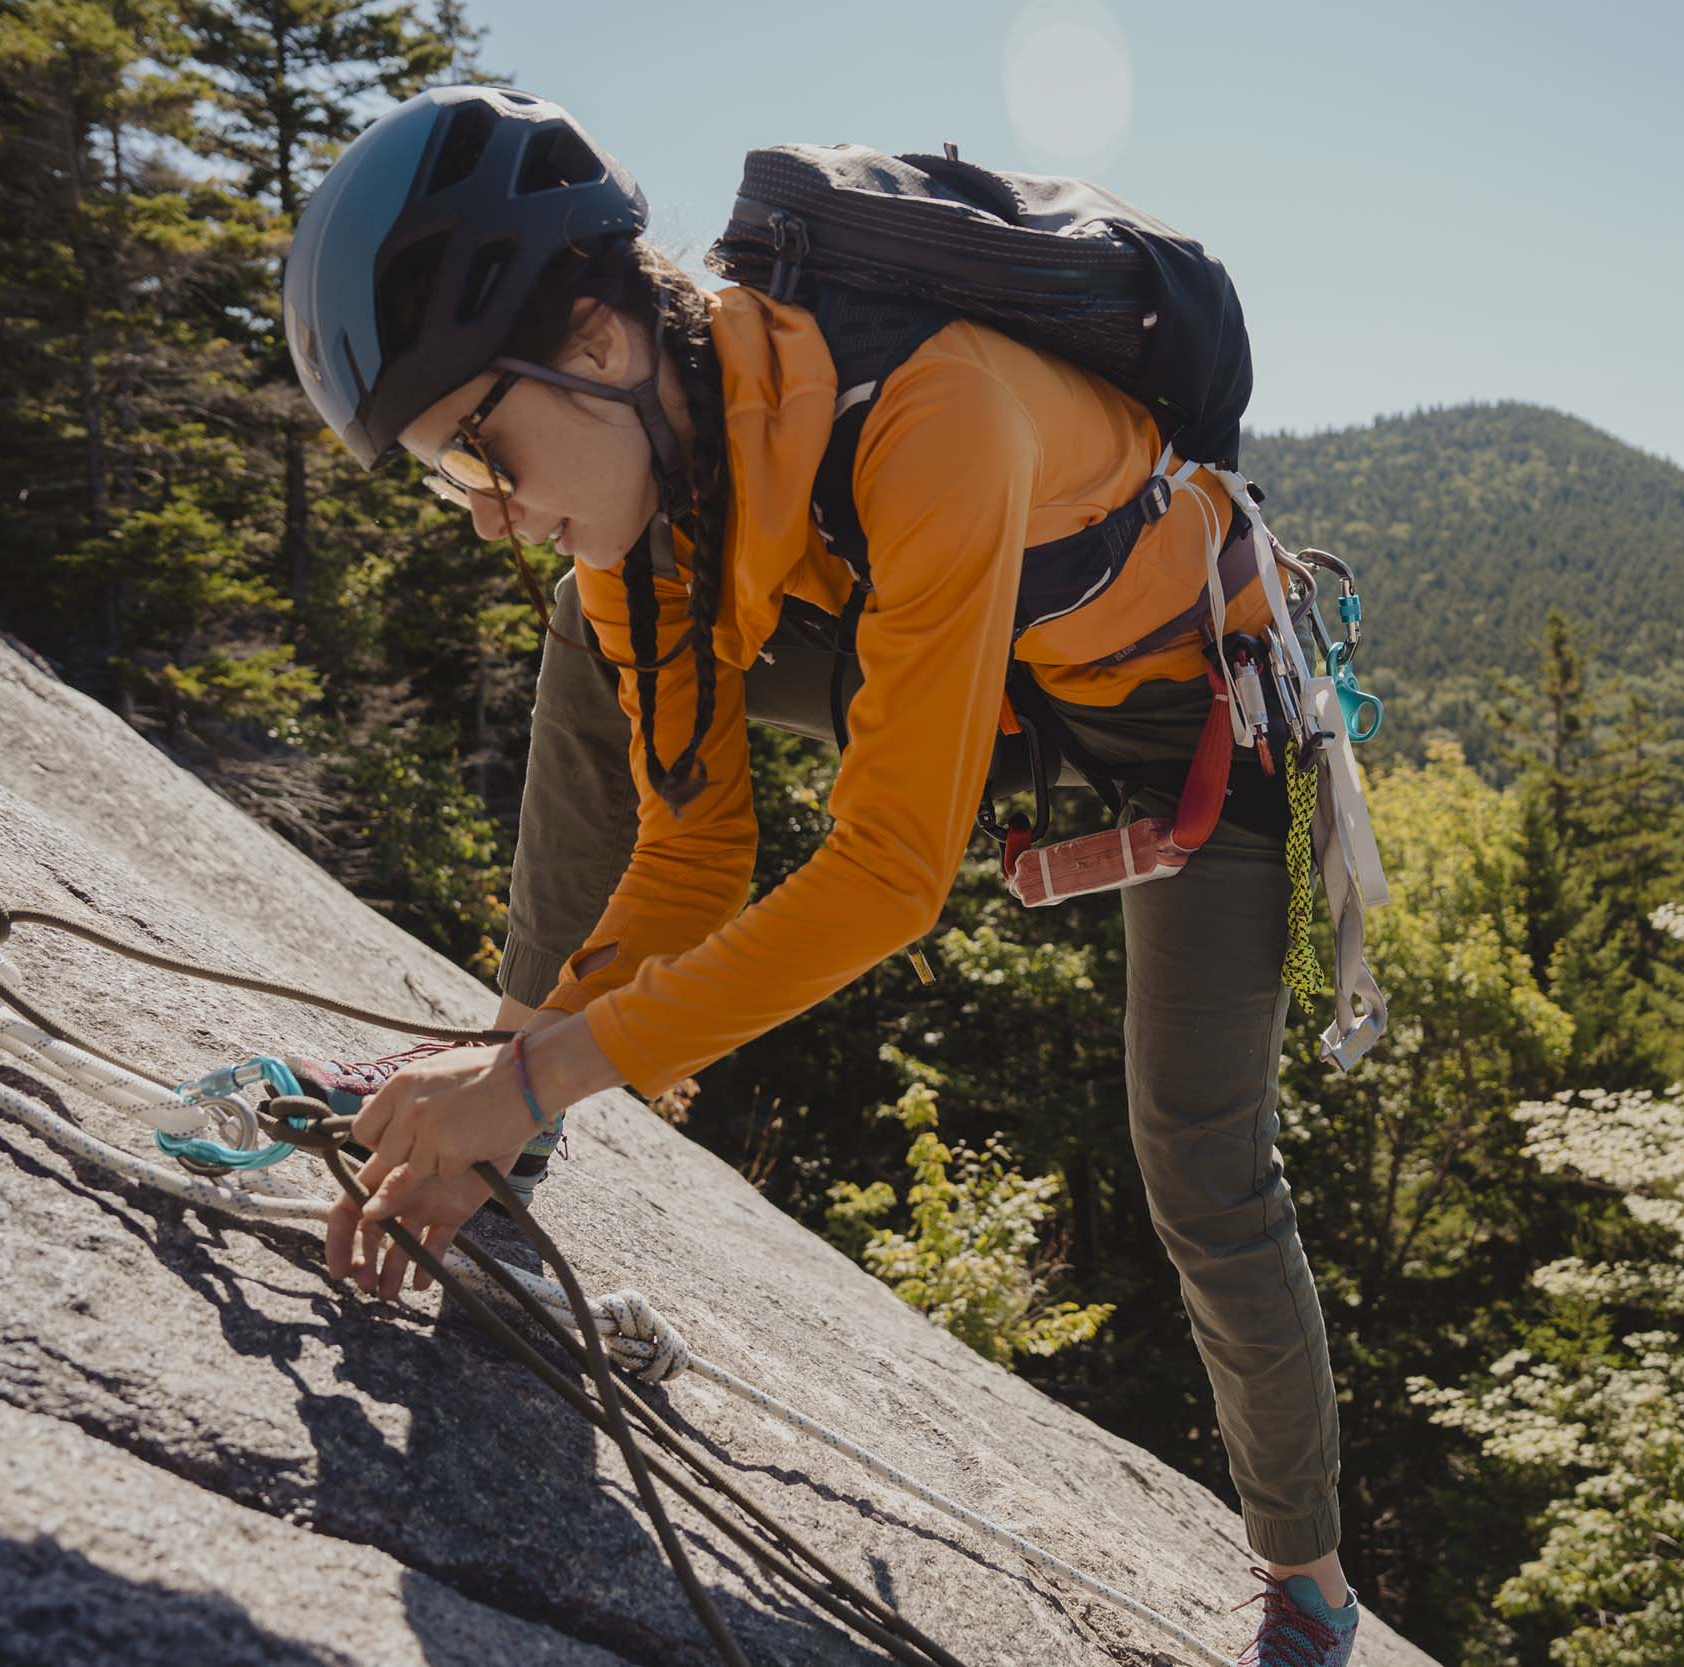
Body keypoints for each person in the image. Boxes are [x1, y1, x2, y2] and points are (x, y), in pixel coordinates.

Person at [285, 84, 1360, 1664]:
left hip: (1188, 710)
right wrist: (512, 1076)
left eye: (485, 452)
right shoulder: (655, 496)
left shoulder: (933, 407)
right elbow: (698, 845)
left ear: (594, 340)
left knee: (1202, 1160)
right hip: (975, 674)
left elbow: (884, 875)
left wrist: (531, 1086)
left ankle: (1312, 1581)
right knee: (595, 629)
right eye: (457, 480)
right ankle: (489, 1081)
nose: (492, 517)